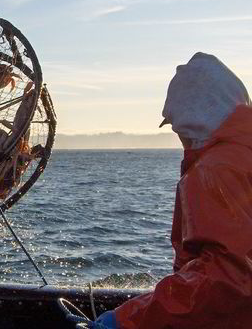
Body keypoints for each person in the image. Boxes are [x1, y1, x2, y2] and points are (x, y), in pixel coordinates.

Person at [91, 52, 252, 328]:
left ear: (190, 120)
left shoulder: (214, 169)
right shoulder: (242, 154)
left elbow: (226, 281)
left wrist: (127, 319)